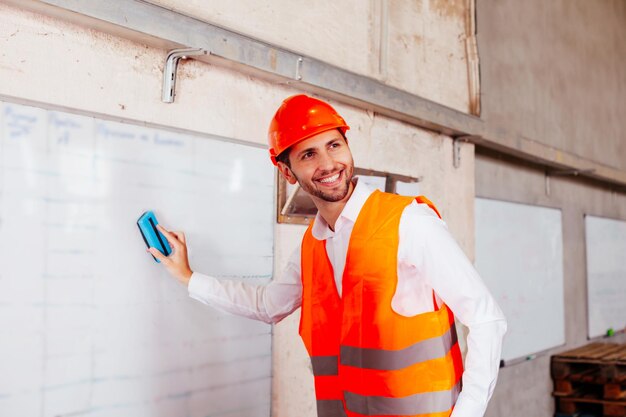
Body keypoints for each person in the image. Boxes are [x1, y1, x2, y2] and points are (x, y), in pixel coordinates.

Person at [148, 94, 507, 417]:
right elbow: (268, 305)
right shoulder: (312, 246)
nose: (328, 162)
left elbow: (486, 318)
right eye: (309, 154)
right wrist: (188, 277)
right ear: (287, 172)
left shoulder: (408, 221)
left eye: (334, 145)